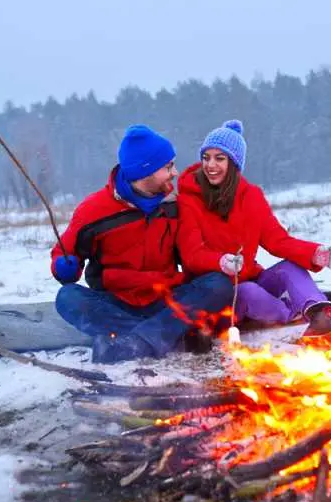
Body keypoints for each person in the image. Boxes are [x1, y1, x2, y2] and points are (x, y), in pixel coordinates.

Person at [51, 124, 233, 363]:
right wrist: (64, 266)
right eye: (168, 167)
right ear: (145, 172)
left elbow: (191, 257)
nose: (175, 172)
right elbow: (64, 261)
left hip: (165, 299)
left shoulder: (174, 205)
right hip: (116, 303)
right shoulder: (93, 211)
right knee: (67, 297)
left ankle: (133, 341)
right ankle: (163, 335)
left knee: (218, 285)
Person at [176, 119, 331, 346]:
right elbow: (190, 254)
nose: (211, 165)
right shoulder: (188, 200)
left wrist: (314, 253)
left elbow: (277, 240)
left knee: (289, 268)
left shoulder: (251, 197)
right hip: (219, 295)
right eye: (206, 157)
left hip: (251, 277)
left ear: (234, 163)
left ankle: (320, 314)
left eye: (219, 158)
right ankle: (293, 314)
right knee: (248, 292)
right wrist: (220, 261)